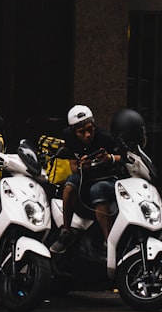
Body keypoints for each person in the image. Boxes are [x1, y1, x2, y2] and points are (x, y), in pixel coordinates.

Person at [49, 104, 123, 254]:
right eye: (82, 132)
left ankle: (108, 241)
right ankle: (66, 231)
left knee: (98, 189)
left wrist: (108, 158)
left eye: (90, 129)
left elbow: (123, 157)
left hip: (107, 178)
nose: (87, 135)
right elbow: (73, 166)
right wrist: (83, 166)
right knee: (69, 185)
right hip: (85, 177)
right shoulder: (69, 138)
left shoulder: (105, 137)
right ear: (73, 132)